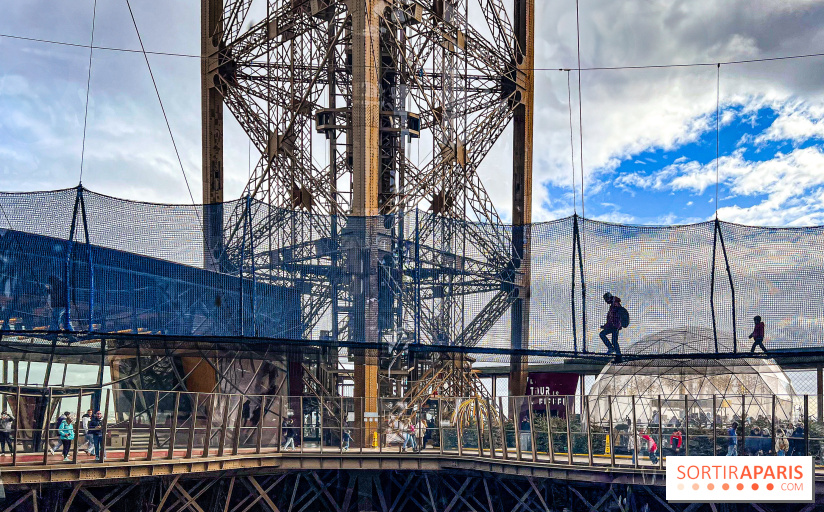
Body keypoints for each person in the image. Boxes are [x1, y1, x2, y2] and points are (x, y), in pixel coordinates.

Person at [599, 293, 624, 362]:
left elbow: (614, 318)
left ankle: (618, 356)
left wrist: (607, 326)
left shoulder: (615, 305)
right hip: (614, 326)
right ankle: (616, 354)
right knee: (612, 340)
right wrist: (605, 326)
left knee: (613, 341)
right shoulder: (613, 305)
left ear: (609, 298)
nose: (606, 301)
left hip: (615, 326)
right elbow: (611, 319)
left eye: (606, 299)